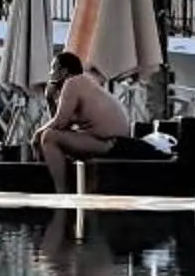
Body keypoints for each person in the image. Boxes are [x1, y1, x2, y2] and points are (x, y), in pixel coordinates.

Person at [34, 49, 140, 190]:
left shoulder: (72, 83)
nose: (50, 74)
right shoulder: (85, 81)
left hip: (112, 143)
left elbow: (59, 123)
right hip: (107, 140)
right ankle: (64, 186)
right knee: (50, 136)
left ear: (64, 71)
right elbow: (62, 126)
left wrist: (37, 134)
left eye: (53, 68)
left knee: (48, 137)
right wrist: (50, 100)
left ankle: (60, 193)